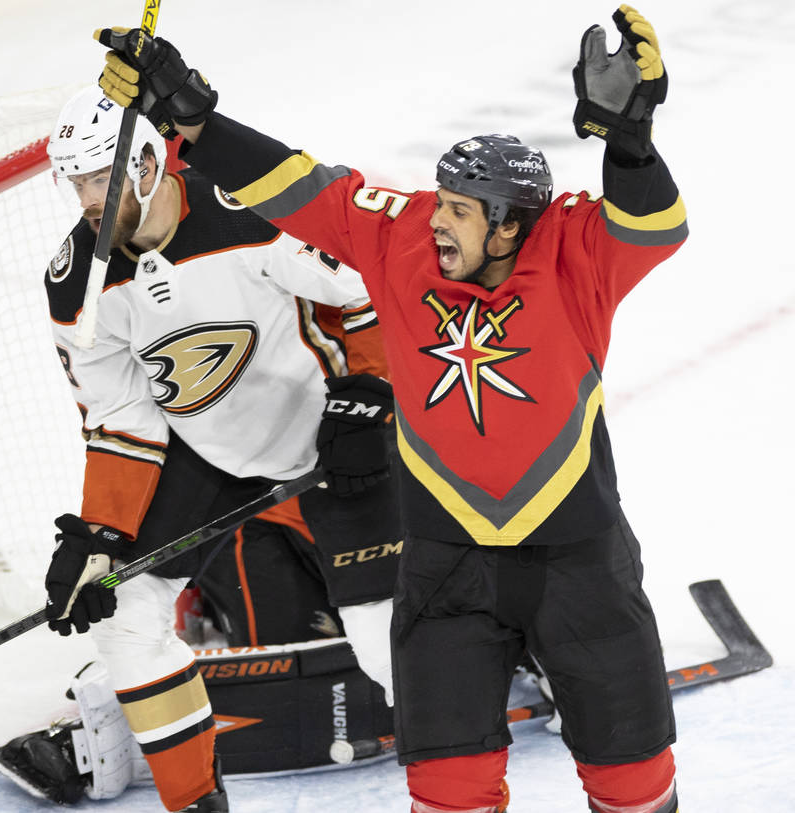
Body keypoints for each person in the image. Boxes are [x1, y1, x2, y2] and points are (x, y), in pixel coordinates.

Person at [92, 5, 685, 813]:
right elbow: (299, 185)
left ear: (510, 228)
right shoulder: (402, 236)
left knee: (634, 789)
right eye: (440, 199)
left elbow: (655, 227)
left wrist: (630, 141)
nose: (437, 218)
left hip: (579, 564)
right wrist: (195, 117)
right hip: (445, 565)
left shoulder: (573, 253)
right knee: (447, 792)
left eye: (461, 211)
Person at [38, 85, 403, 812]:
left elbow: (371, 290)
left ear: (146, 164)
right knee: (126, 613)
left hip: (333, 436)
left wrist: (368, 398)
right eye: (73, 179)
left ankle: (516, 652)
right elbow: (118, 414)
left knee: (386, 641)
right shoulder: (77, 279)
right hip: (212, 458)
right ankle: (197, 801)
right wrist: (100, 533)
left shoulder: (250, 214)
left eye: (98, 177)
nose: (85, 197)